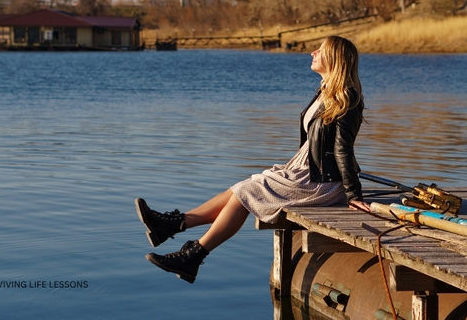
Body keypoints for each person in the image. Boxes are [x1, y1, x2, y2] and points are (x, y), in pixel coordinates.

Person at [135, 35, 368, 283]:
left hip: (322, 182)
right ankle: (175, 226)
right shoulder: (325, 92)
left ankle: (191, 252)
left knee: (247, 191)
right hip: (304, 170)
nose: (312, 52)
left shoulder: (347, 97)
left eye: (319, 50)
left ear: (334, 58)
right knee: (244, 186)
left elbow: (343, 149)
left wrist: (353, 195)